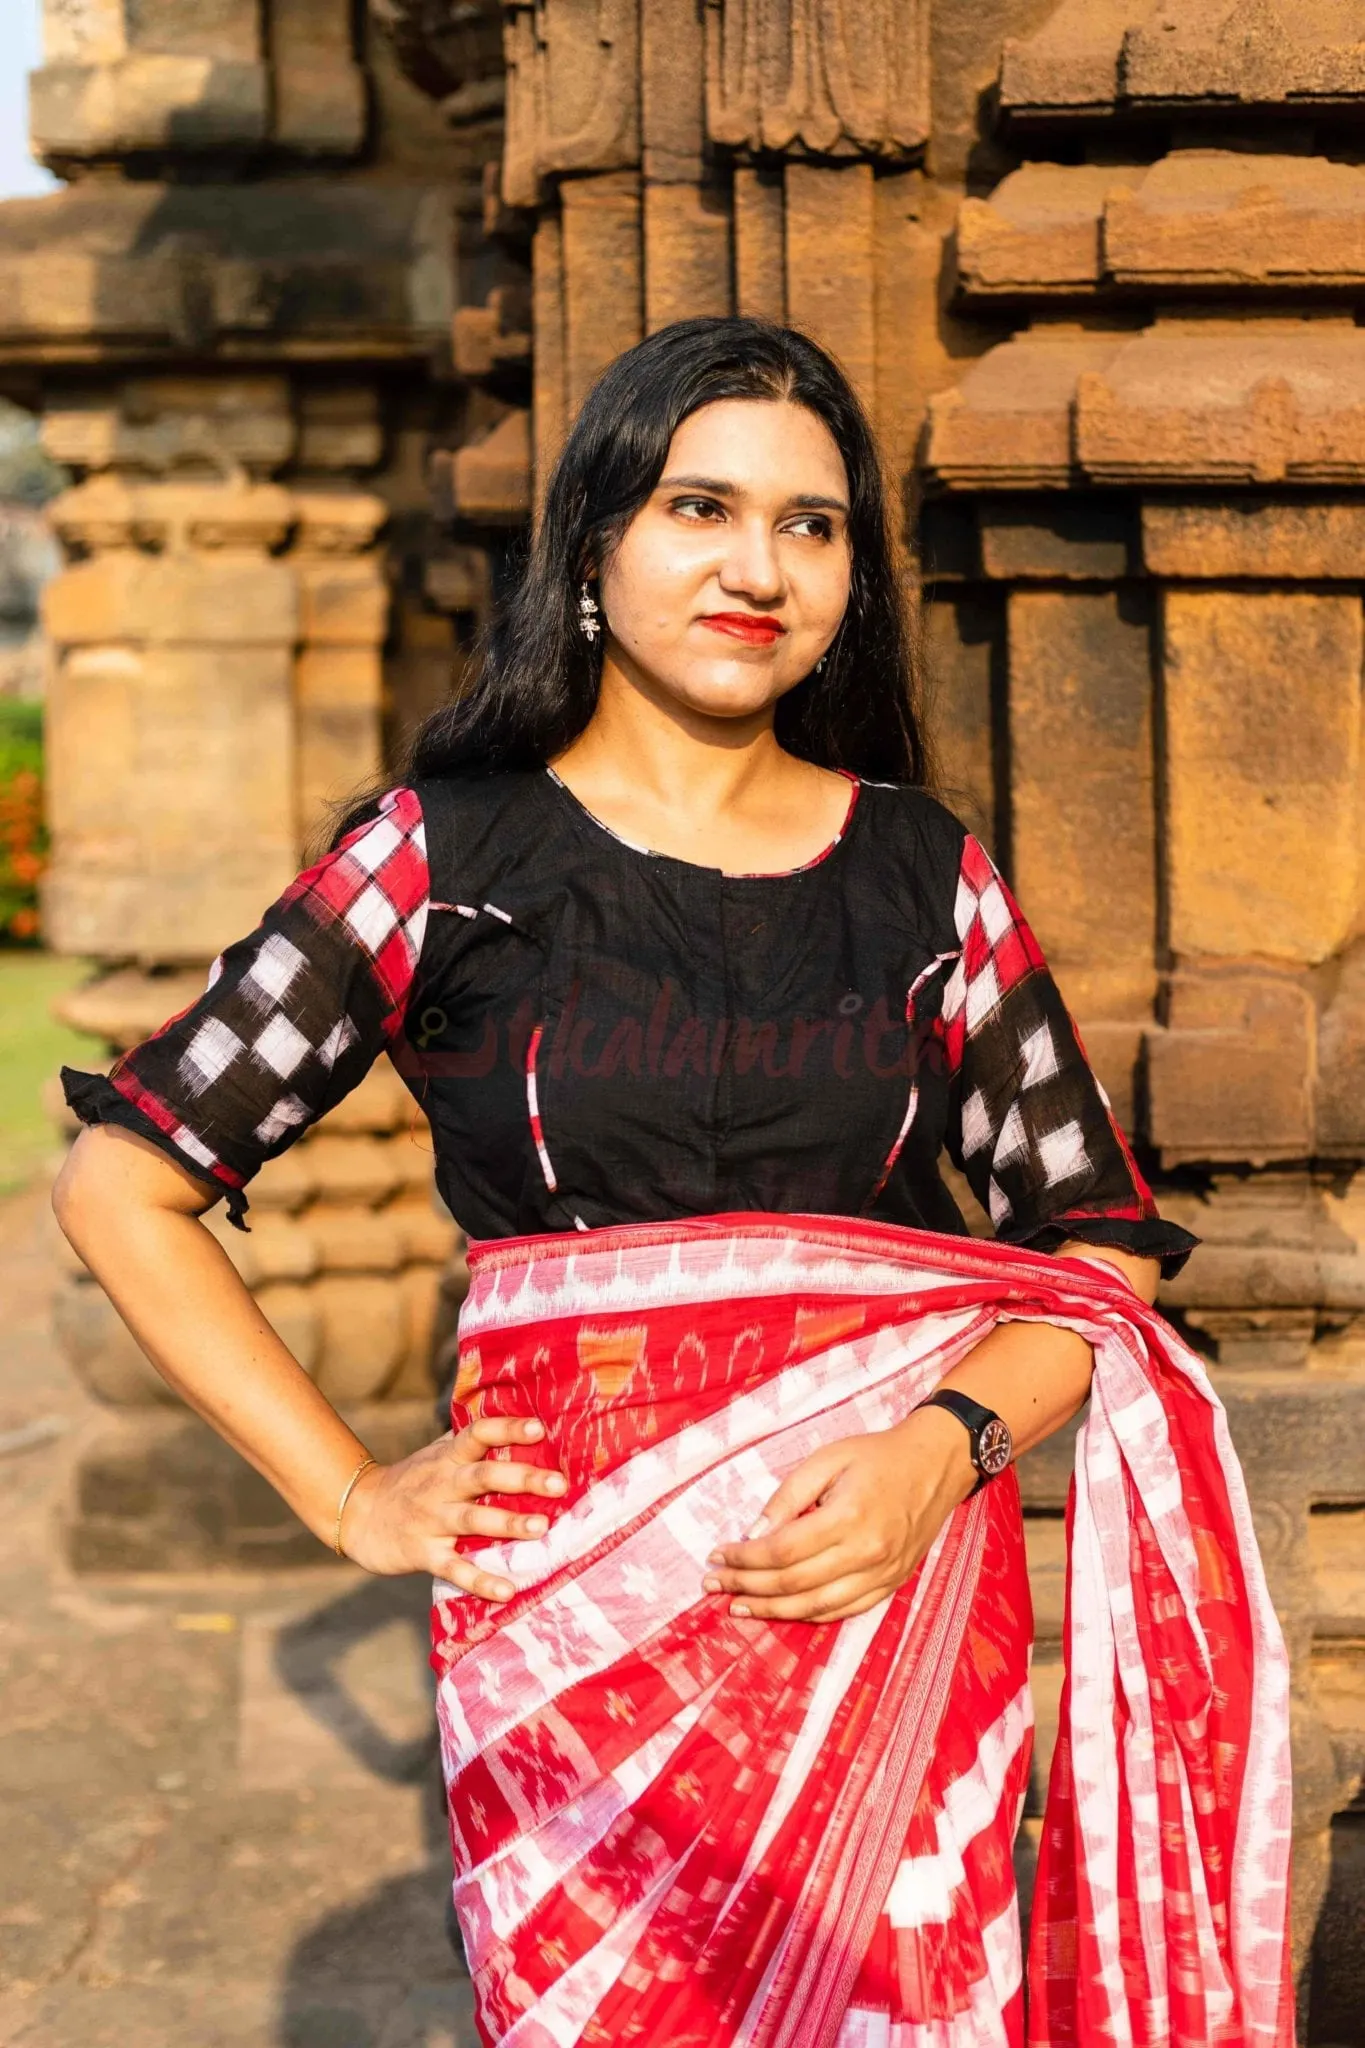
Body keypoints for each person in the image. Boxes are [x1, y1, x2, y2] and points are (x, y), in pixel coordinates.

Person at [54, 319, 1292, 2048]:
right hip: (568, 1629)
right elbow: (126, 1181)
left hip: (886, 1597)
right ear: (594, 545)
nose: (756, 568)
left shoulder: (923, 874)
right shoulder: (441, 856)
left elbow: (1096, 1248)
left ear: (854, 577)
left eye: (811, 523)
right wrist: (349, 1498)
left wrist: (945, 1458)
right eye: (698, 506)